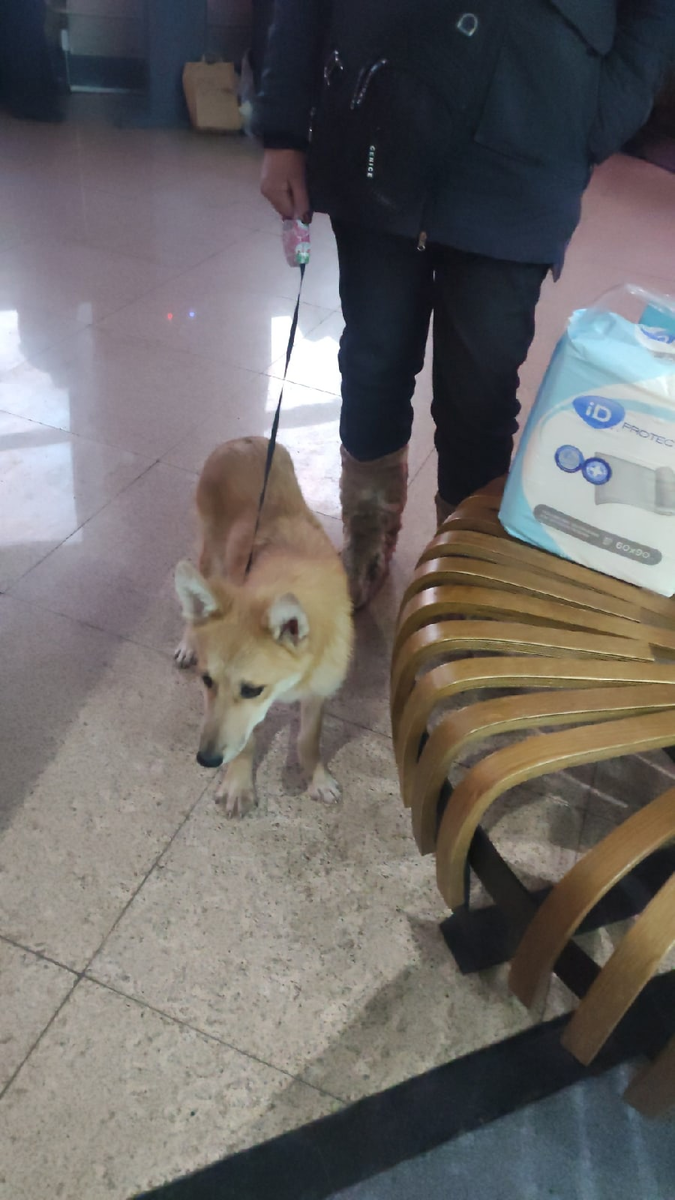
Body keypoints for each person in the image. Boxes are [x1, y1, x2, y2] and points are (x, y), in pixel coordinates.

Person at [256, 1, 675, 608]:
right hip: (379, 119)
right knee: (373, 357)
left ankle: (461, 572)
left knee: (479, 392)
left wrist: (597, 113)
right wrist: (284, 130)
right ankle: (368, 538)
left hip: (528, 147)